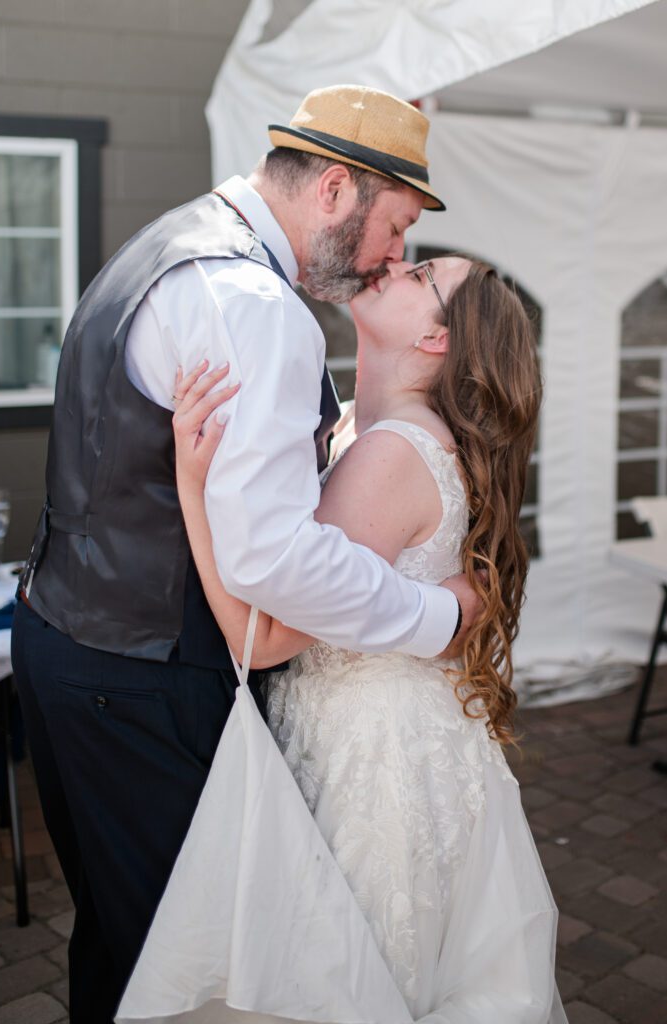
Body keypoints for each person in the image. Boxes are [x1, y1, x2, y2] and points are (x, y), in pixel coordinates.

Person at [10, 85, 481, 1024]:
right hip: (147, 676)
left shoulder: (172, 245)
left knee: (125, 935)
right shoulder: (253, 304)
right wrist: (438, 618)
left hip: (71, 643)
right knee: (195, 966)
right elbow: (273, 558)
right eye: (394, 228)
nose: (394, 256)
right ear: (337, 190)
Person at [116, 256, 568, 1023]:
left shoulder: (391, 450)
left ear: (434, 339)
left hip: (373, 752)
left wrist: (192, 486)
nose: (393, 262)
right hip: (395, 729)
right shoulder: (369, 425)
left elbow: (265, 642)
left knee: (342, 978)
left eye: (420, 272)